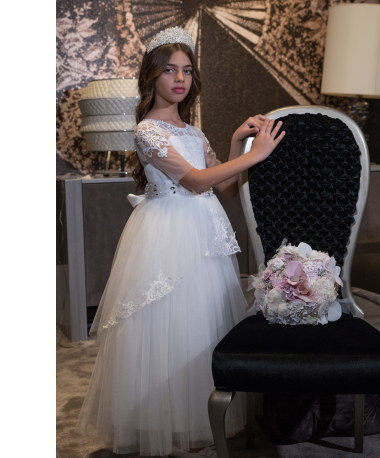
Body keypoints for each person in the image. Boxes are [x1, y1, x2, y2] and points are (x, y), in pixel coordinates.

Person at [75, 27, 285, 457]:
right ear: (151, 77)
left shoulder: (194, 132)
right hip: (166, 235)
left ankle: (203, 413)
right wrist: (256, 153)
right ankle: (161, 419)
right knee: (167, 327)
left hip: (204, 235)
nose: (180, 78)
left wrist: (236, 141)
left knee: (203, 323)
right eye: (169, 70)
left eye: (187, 70)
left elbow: (223, 188)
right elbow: (193, 181)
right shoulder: (147, 131)